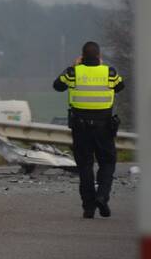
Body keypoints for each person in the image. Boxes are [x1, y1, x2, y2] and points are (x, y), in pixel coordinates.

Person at [53, 41, 125, 218]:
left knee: (85, 166)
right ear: (99, 56)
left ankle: (88, 207)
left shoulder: (73, 73)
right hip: (104, 127)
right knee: (107, 162)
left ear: (82, 56)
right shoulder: (109, 72)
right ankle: (102, 195)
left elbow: (57, 86)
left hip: (81, 127)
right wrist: (100, 68)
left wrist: (74, 66)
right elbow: (120, 87)